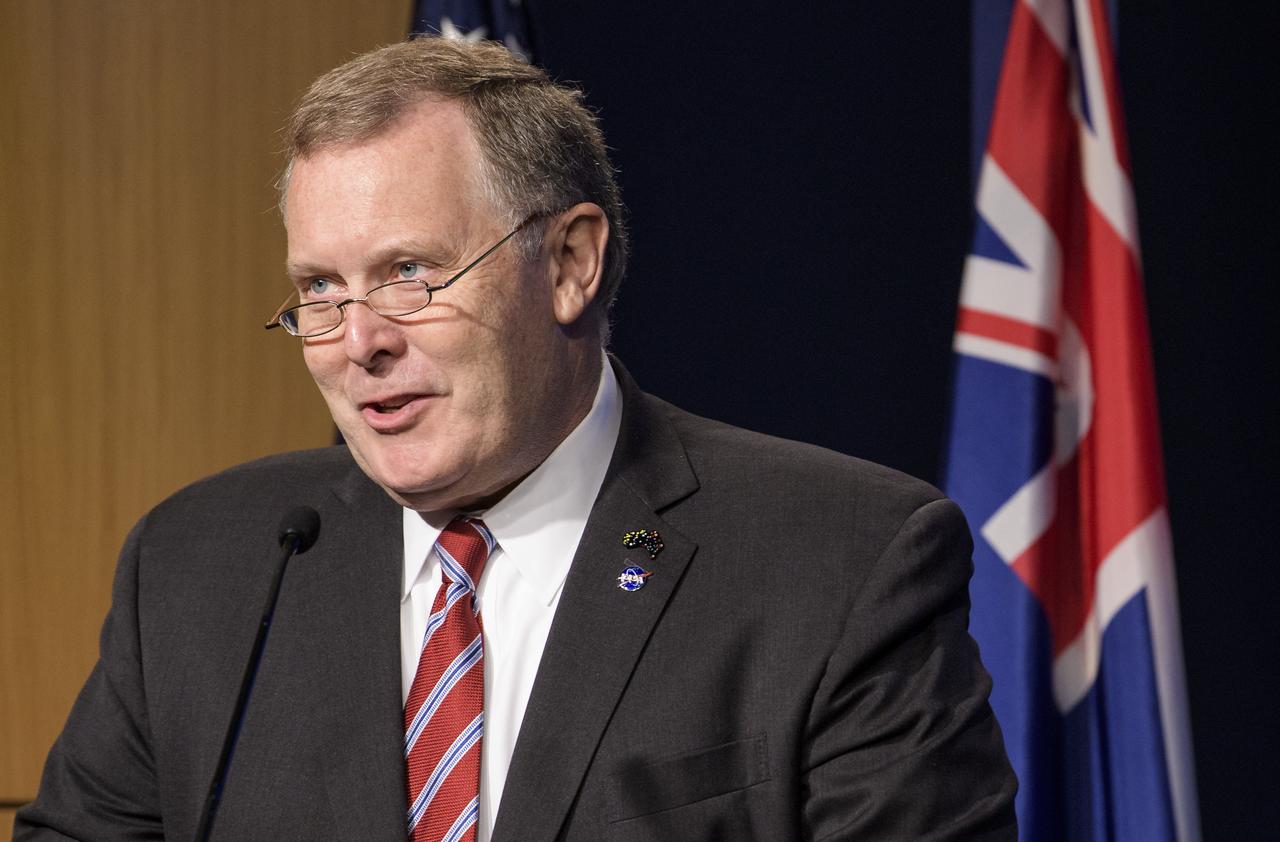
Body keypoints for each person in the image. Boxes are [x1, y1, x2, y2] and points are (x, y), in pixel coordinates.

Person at [16, 37, 1016, 841]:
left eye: (410, 271)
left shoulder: (836, 561)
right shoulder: (201, 565)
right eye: (320, 288)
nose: (357, 340)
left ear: (571, 262)